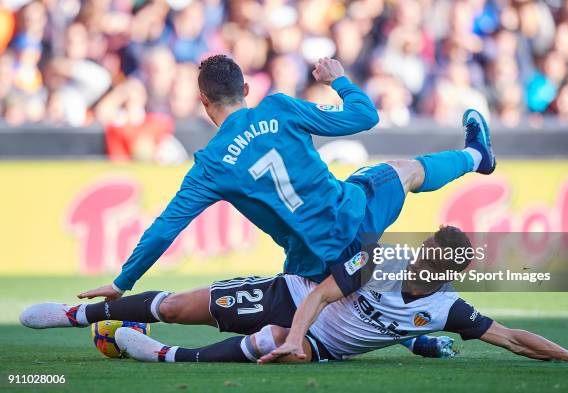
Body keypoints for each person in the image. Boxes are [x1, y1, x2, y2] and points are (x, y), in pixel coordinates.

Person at [76, 54, 495, 303]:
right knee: (407, 171)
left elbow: (165, 229)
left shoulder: (210, 164)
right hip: (354, 211)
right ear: (245, 87)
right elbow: (366, 115)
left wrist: (121, 281)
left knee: (322, 307)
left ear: (203, 100)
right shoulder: (279, 107)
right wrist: (338, 80)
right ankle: (477, 155)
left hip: (311, 258)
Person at [20, 227, 568, 363]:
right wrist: (298, 335)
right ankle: (79, 313)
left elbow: (512, 338)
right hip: (293, 296)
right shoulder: (382, 258)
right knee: (176, 307)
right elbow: (321, 297)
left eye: (440, 265)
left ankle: (163, 356)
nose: (427, 267)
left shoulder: (447, 305)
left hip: (322, 346)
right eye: (428, 256)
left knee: (272, 342)